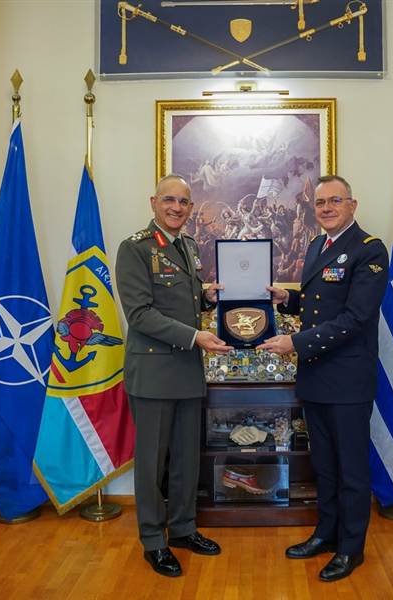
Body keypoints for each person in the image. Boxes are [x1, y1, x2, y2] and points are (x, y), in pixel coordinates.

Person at [258, 174, 388, 582]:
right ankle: (326, 534)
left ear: (352, 205)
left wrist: (294, 342)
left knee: (351, 469)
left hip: (348, 379)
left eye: (335, 200)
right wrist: (288, 299)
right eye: (320, 203)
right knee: (325, 466)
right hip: (316, 375)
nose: (327, 208)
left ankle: (351, 548)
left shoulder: (369, 250)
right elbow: (319, 305)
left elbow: (355, 318)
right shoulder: (318, 245)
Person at [115, 174, 233, 578]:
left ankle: (183, 528)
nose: (176, 208)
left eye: (184, 202)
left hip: (186, 369)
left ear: (190, 207)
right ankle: (153, 540)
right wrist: (196, 336)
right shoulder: (135, 248)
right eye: (169, 200)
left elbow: (181, 301)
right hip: (153, 372)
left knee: (186, 458)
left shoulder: (188, 246)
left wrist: (206, 297)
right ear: (154, 202)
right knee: (152, 463)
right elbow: (140, 314)